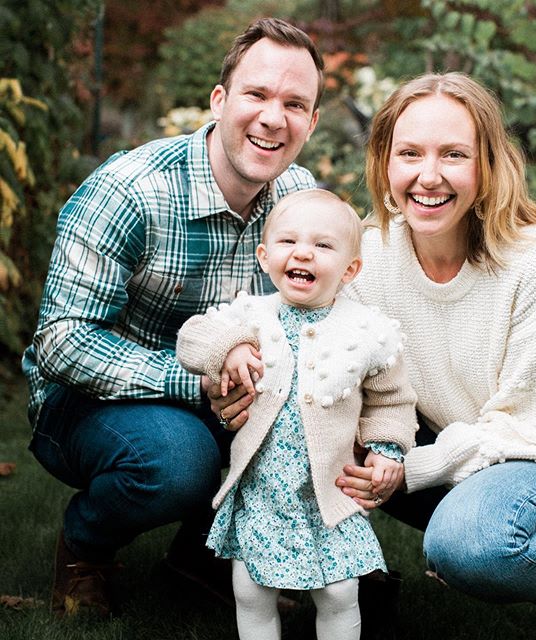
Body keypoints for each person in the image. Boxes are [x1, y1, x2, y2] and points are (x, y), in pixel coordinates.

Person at [21, 17, 324, 618]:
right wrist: (196, 384)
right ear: (220, 101)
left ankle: (203, 561)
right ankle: (85, 546)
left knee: (317, 415)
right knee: (178, 460)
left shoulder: (297, 195)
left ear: (311, 122)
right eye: (257, 95)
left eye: (295, 104)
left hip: (224, 392)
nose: (273, 118)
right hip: (87, 402)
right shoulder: (131, 190)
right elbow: (61, 342)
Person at [334, 71, 536, 639]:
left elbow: (526, 429)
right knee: (306, 416)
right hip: (456, 444)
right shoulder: (368, 253)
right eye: (409, 153)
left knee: (468, 541)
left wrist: (408, 469)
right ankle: (355, 587)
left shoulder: (532, 262)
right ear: (384, 161)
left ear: (488, 165)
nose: (429, 176)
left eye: (454, 154)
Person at [175, 188, 417, 640]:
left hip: (328, 489)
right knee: (250, 589)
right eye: (288, 242)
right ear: (266, 258)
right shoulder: (250, 316)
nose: (302, 252)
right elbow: (191, 337)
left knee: (341, 591)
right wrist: (226, 348)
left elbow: (392, 401)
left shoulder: (367, 331)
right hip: (263, 488)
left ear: (350, 269)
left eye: (322, 246)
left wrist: (386, 450)